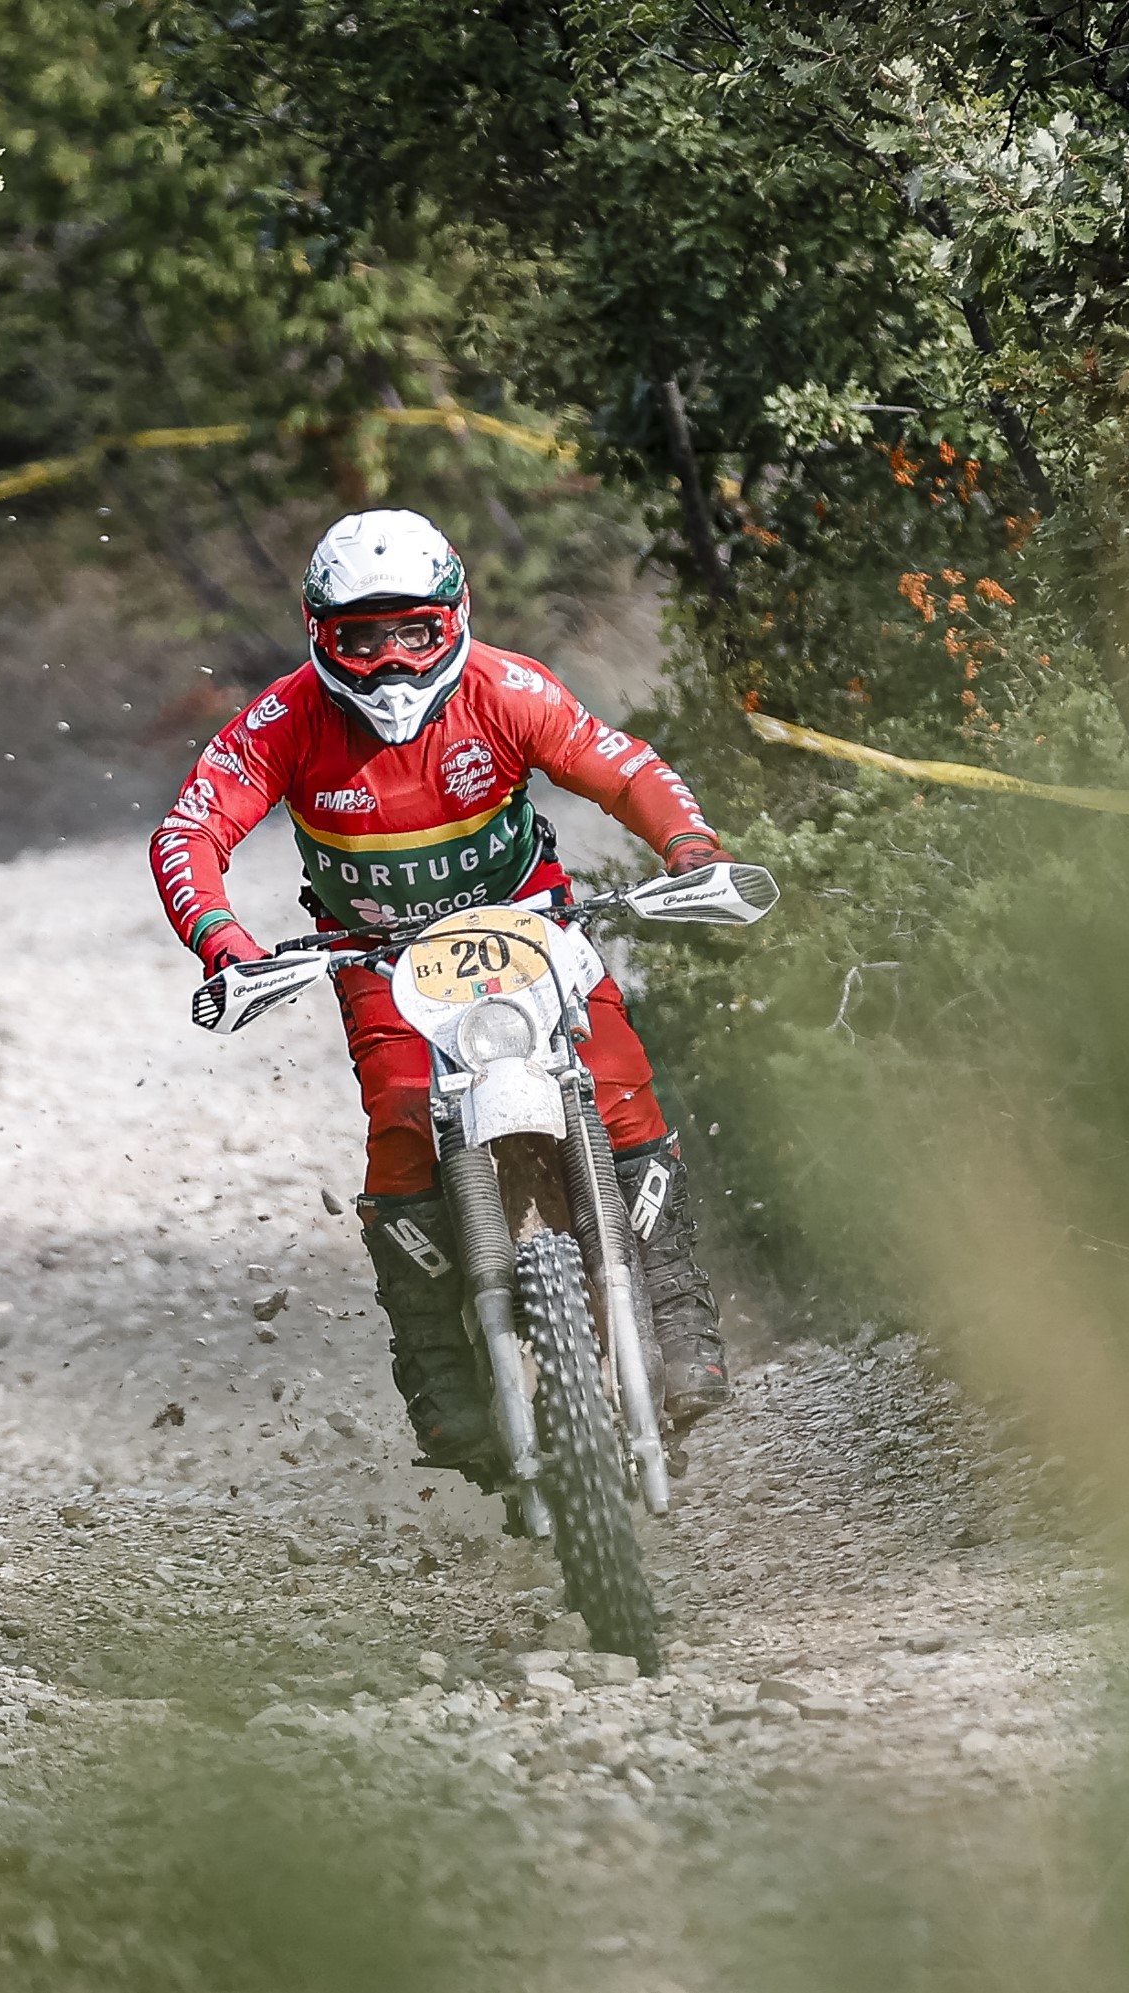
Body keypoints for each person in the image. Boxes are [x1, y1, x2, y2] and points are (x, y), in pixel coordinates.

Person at [150, 508, 736, 1482]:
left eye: (412, 632)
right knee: (400, 1124)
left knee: (620, 1083)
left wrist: (691, 851)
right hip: (375, 955)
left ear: (453, 616)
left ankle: (675, 1318)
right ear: (318, 635)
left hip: (533, 930)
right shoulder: (285, 720)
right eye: (360, 639)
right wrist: (228, 944)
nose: (388, 662)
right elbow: (189, 834)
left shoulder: (507, 688)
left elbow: (620, 766)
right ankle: (443, 1385)